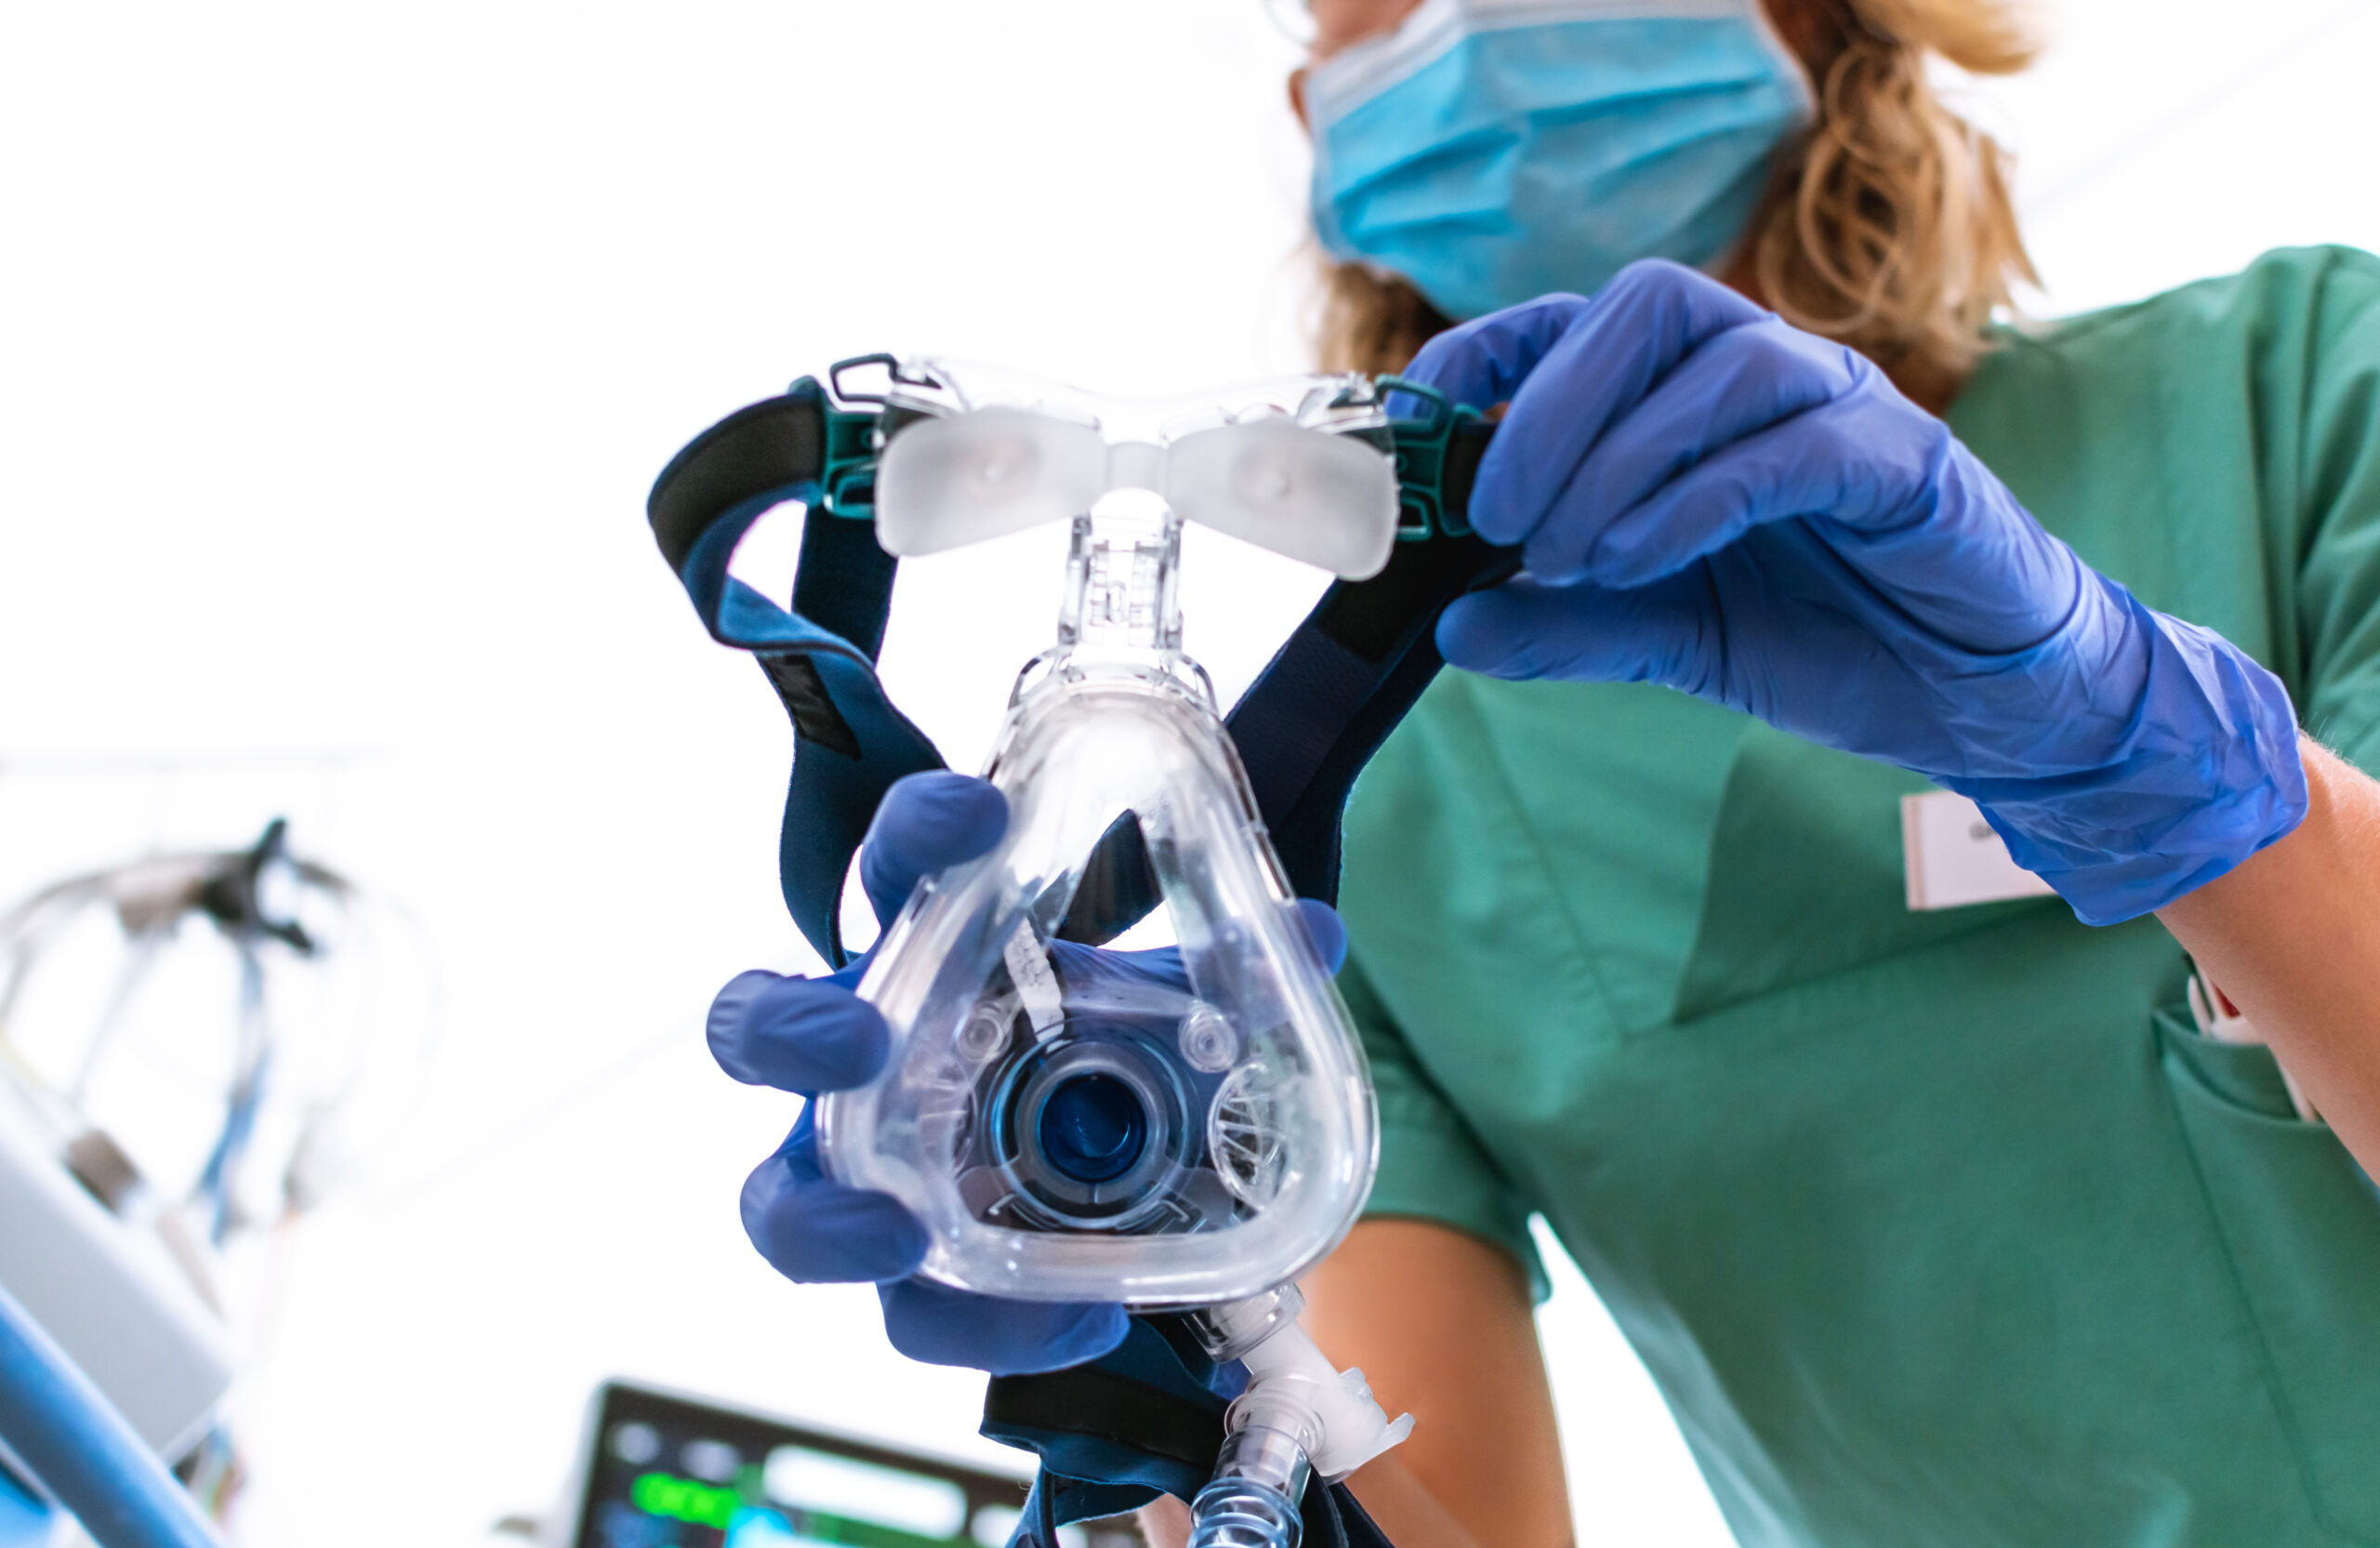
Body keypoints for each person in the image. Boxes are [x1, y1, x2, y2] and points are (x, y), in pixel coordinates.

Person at [708, 0, 2380, 1542]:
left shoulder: (2304, 393)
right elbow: (1412, 1502)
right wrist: (1155, 1351)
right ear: (1321, 110)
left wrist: (2174, 765)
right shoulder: (1358, 804)